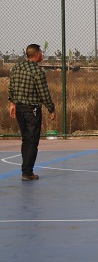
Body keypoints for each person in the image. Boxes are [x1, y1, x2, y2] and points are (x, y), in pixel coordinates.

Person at [8, 44, 56, 181]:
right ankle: (27, 172)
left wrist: (12, 103)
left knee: (25, 139)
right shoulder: (38, 72)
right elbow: (44, 93)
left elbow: (11, 87)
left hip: (19, 108)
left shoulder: (16, 68)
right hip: (32, 110)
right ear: (37, 55)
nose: (42, 55)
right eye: (41, 53)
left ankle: (26, 170)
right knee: (32, 140)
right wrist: (51, 108)